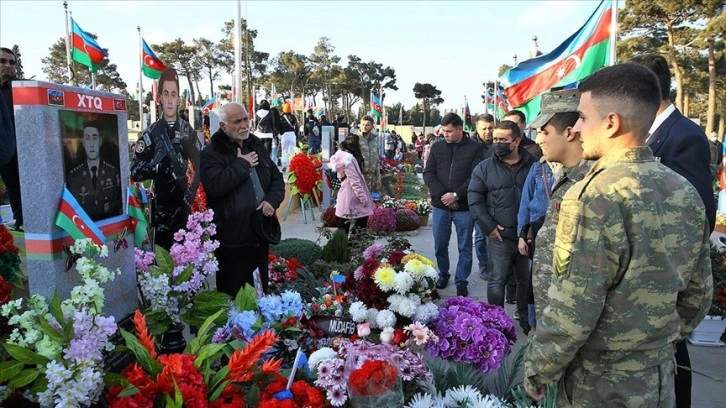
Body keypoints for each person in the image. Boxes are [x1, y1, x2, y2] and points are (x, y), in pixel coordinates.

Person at [524, 63, 713, 407]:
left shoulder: (594, 196)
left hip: (598, 382)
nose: (577, 128)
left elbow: (575, 305)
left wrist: (539, 368)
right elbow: (698, 294)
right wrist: (652, 343)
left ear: (611, 123)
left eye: (582, 117)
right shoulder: (684, 191)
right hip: (657, 377)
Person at [630, 54, 717, 408]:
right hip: (643, 268)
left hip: (667, 270)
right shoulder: (647, 131)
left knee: (673, 357)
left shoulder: (684, 135)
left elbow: (698, 212)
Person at [200, 102, 284, 296]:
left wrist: (271, 201)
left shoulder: (255, 144)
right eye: (237, 121)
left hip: (260, 235)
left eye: (246, 119)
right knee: (234, 304)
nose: (244, 124)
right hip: (232, 242)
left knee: (260, 298)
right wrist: (241, 164)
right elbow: (214, 186)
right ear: (223, 126)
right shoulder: (212, 153)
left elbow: (276, 178)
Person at [528, 90, 591, 341]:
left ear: (569, 132)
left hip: (569, 330)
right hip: (553, 319)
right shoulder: (567, 175)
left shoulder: (590, 183)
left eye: (544, 132)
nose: (539, 140)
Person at [468, 120, 536, 328]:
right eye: (495, 139)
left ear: (516, 141)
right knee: (497, 281)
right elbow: (474, 198)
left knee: (526, 282)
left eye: (503, 140)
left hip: (527, 236)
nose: (497, 143)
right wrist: (488, 226)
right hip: (500, 235)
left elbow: (540, 198)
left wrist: (533, 229)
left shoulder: (534, 165)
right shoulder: (484, 168)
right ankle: (495, 324)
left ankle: (526, 322)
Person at [131, 68, 202, 250]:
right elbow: (135, 170)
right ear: (159, 98)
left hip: (184, 205)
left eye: (174, 94)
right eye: (166, 94)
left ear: (179, 98)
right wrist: (154, 167)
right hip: (161, 207)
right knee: (162, 261)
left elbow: (201, 165)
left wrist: (191, 194)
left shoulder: (187, 131)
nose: (170, 100)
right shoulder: (151, 133)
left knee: (186, 259)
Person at [424, 113, 484, 297]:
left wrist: (456, 195)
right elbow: (429, 174)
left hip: (463, 207)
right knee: (440, 245)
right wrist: (444, 195)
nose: (446, 135)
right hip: (441, 206)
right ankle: (443, 273)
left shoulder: (475, 148)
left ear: (460, 129)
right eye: (443, 132)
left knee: (464, 246)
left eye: (449, 131)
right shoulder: (437, 147)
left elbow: (476, 176)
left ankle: (461, 280)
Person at [67, 122, 121, 221]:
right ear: (83, 143)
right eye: (87, 138)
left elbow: (116, 203)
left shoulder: (112, 172)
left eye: (94, 138)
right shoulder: (74, 176)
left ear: (100, 142)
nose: (91, 144)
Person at [329, 136, 373, 233]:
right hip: (352, 197)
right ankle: (355, 245)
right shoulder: (348, 160)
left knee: (344, 224)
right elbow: (355, 181)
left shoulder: (341, 157)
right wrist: (363, 198)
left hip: (346, 194)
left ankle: (343, 246)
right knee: (360, 223)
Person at [471, 113, 495, 280]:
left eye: (490, 128)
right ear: (477, 129)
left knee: (494, 235)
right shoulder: (470, 146)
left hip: (495, 197)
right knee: (479, 236)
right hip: (475, 196)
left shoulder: (500, 144)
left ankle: (495, 265)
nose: (488, 132)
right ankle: (483, 265)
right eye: (484, 128)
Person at [0, 47, 22, 229]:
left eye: (12, 62)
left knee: (16, 188)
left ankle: (21, 223)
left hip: (14, 152)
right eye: (3, 61)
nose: (8, 65)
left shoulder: (22, 90)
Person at [358, 116, 381, 193]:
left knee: (370, 202)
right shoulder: (355, 139)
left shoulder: (374, 141)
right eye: (363, 124)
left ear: (372, 126)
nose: (364, 127)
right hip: (359, 178)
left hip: (371, 179)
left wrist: (378, 178)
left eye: (367, 125)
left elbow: (377, 160)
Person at [279, 103, 298, 171]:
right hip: (292, 134)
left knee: (284, 150)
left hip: (284, 135)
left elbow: (279, 127)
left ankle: (284, 165)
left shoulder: (280, 118)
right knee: (292, 151)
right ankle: (291, 166)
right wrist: (296, 134)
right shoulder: (293, 117)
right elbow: (297, 127)